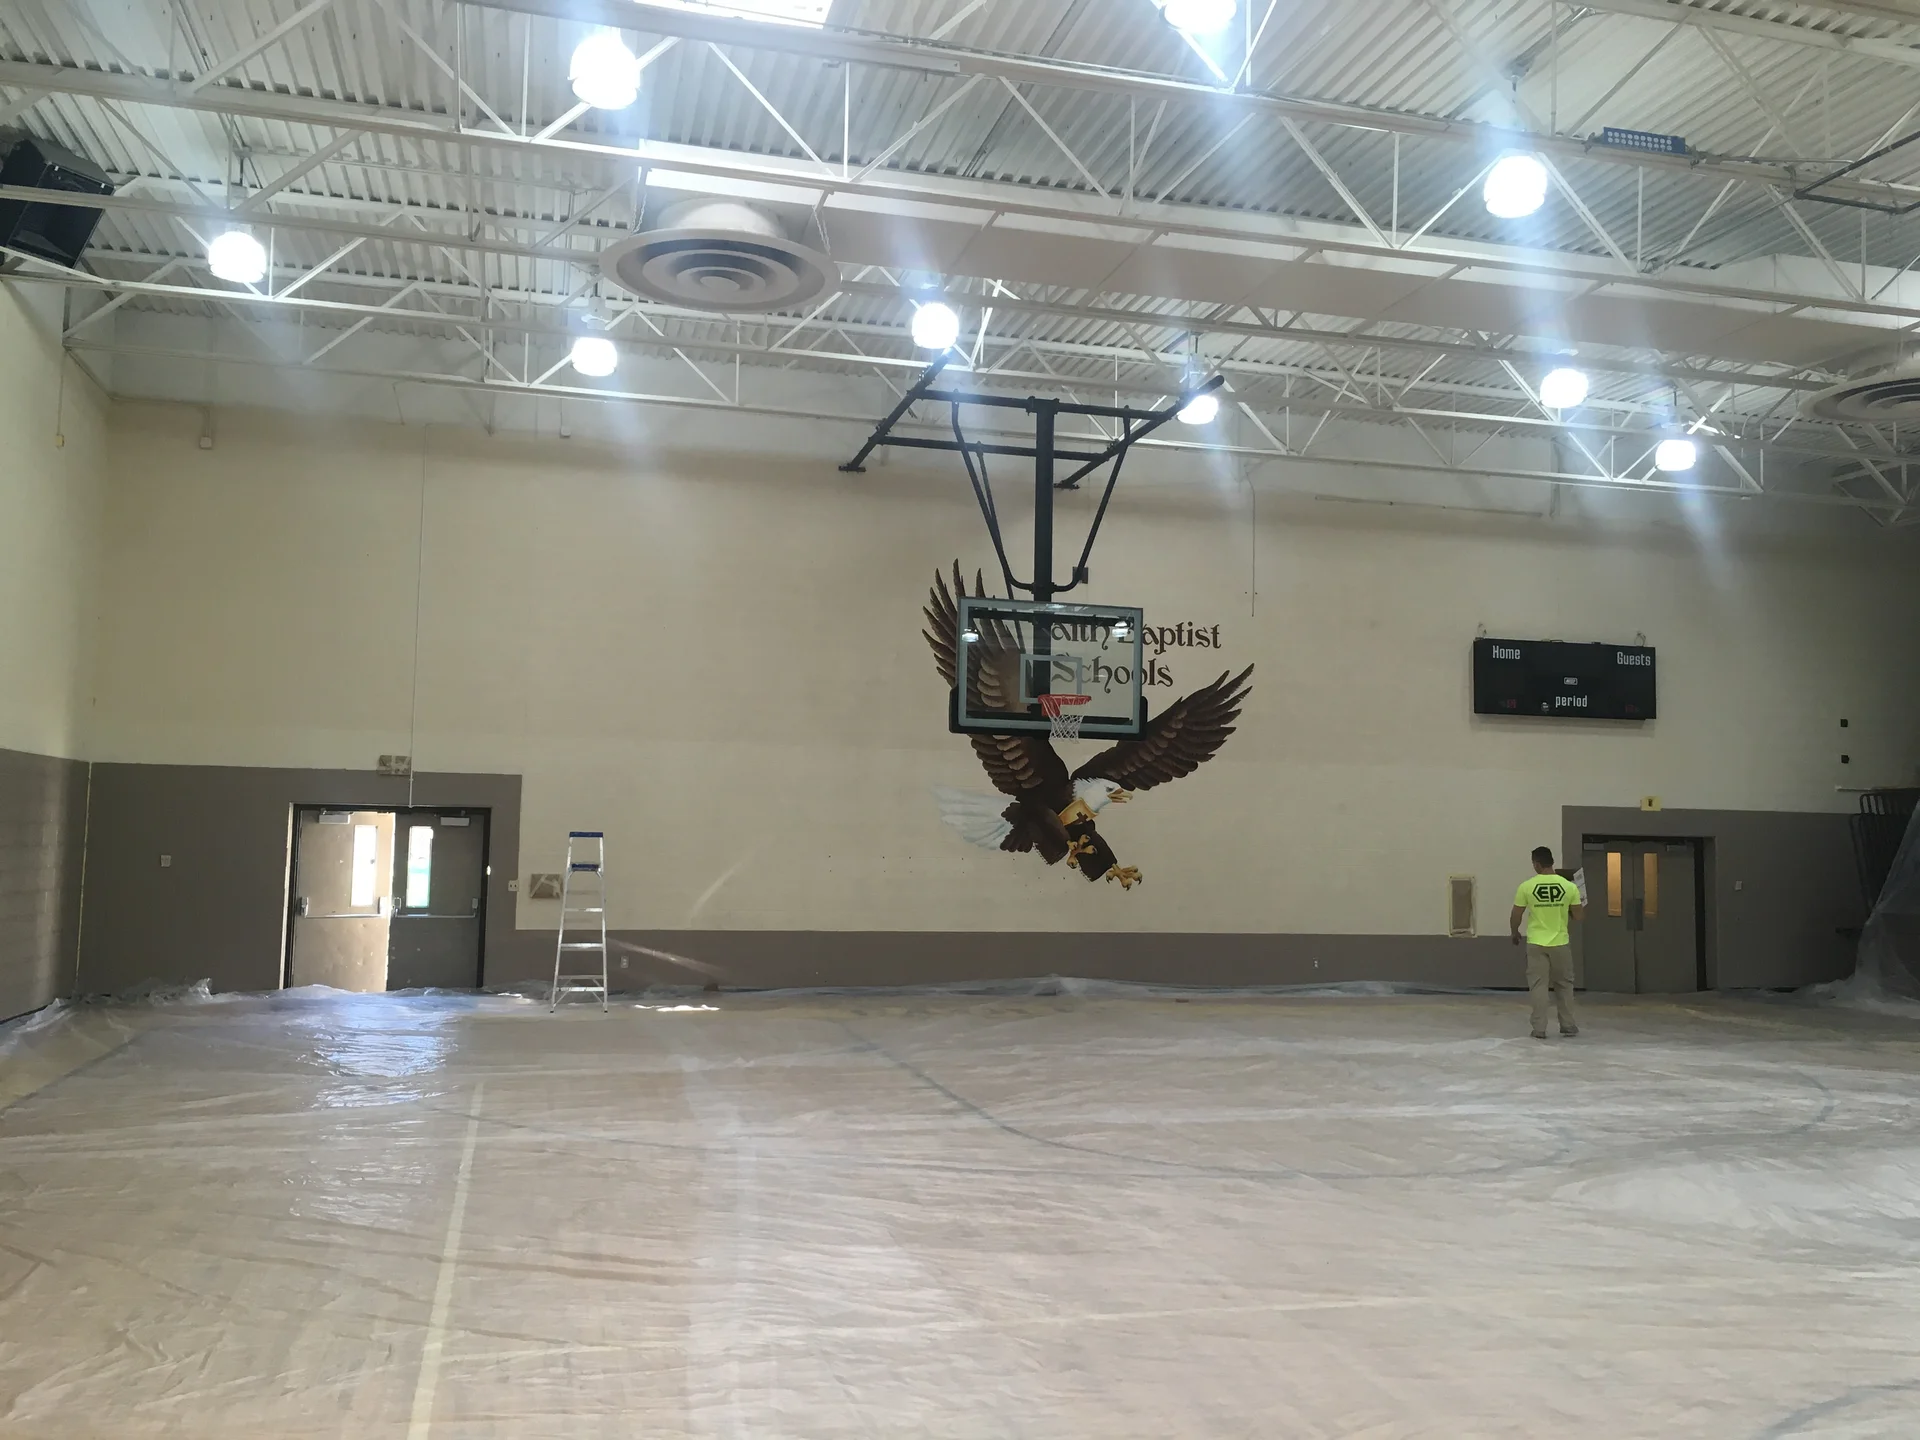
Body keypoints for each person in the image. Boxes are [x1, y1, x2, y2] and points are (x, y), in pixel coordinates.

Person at [1511, 846, 1583, 1039]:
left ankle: (1539, 1028)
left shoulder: (1526, 886)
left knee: (1538, 986)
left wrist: (1514, 933)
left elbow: (1516, 914)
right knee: (1565, 984)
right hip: (1560, 942)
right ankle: (1568, 1025)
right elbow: (1578, 915)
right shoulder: (1569, 887)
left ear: (1536, 864)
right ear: (1552, 862)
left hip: (1536, 943)